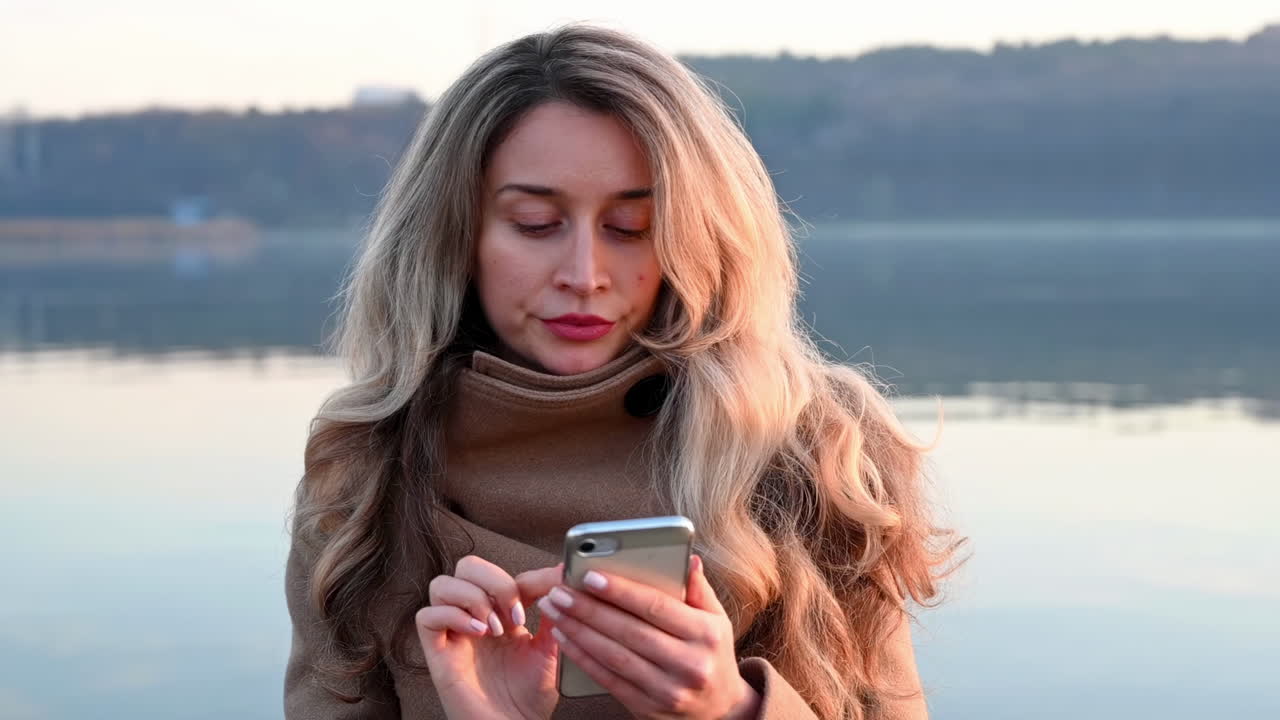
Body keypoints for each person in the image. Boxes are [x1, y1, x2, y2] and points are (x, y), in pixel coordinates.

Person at [284, 21, 961, 720]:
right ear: (455, 236)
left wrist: (731, 708)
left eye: (631, 228)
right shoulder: (364, 476)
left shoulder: (822, 453)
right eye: (536, 223)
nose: (584, 276)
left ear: (694, 236)